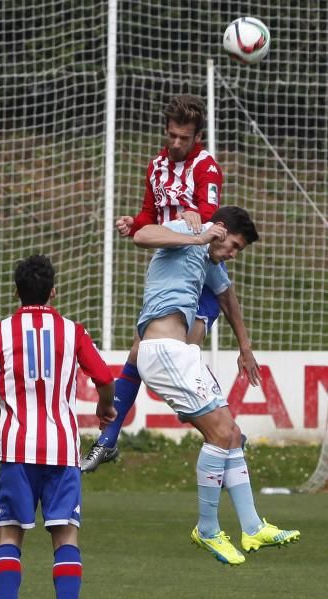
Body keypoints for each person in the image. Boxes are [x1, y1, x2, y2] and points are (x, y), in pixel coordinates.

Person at [82, 94, 256, 472]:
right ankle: (213, 427)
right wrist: (135, 224)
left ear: (197, 137)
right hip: (173, 254)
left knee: (176, 345)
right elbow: (149, 214)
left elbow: (209, 215)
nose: (177, 143)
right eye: (172, 135)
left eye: (185, 138)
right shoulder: (156, 166)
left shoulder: (207, 166)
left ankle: (210, 421)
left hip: (197, 257)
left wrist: (199, 219)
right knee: (143, 354)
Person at [133, 206, 300, 565]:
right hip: (163, 351)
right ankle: (207, 529)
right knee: (221, 434)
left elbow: (228, 298)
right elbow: (142, 235)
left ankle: (252, 526)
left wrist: (245, 347)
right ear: (220, 231)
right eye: (234, 246)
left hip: (181, 353)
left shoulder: (209, 256)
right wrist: (196, 236)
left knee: (232, 433)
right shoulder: (189, 232)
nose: (232, 254)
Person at [0, 255, 116, 599]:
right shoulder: (72, 332)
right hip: (61, 448)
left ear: (16, 292)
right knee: (65, 538)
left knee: (10, 537)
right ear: (54, 291)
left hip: (17, 448)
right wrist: (105, 408)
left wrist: (6, 414)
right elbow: (104, 379)